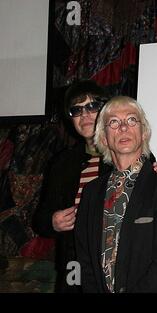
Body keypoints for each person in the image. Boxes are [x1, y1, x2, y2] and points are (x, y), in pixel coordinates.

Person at [74, 96, 157, 293]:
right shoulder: (91, 192)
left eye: (131, 120)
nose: (123, 128)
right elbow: (85, 260)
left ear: (144, 132)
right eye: (113, 122)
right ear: (103, 138)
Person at [32, 80, 111, 292]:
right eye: (76, 110)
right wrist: (53, 221)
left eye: (92, 106)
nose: (84, 114)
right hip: (74, 268)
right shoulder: (63, 162)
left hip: (118, 268)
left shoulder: (129, 156)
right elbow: (41, 219)